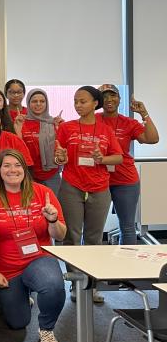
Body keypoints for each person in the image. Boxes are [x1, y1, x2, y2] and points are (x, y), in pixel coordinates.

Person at [0, 149, 67, 342]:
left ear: (25, 169)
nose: (12, 170)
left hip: (38, 259)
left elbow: (60, 235)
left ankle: (47, 329)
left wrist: (52, 220)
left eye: (17, 165)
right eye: (6, 165)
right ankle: (16, 294)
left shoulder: (43, 193)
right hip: (7, 268)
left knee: (53, 286)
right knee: (18, 322)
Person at [55, 86, 123, 302]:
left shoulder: (105, 129)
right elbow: (60, 158)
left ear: (95, 103)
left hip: (99, 187)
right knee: (71, 236)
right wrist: (60, 158)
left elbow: (118, 157)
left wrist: (101, 159)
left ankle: (91, 285)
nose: (77, 105)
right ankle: (76, 285)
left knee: (94, 238)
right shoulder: (66, 128)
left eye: (82, 101)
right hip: (72, 185)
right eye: (75, 101)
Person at [97, 84, 159, 245]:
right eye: (104, 96)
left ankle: (127, 265)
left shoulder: (128, 122)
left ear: (119, 99)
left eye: (113, 95)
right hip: (97, 179)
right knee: (93, 229)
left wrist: (143, 113)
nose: (109, 100)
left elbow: (152, 139)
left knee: (128, 227)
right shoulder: (92, 120)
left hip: (125, 180)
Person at [17, 89, 62, 196]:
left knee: (53, 207)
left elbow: (61, 150)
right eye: (34, 101)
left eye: (42, 101)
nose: (38, 104)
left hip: (52, 174)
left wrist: (59, 127)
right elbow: (18, 148)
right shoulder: (21, 122)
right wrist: (17, 128)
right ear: (28, 103)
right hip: (29, 174)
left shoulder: (55, 123)